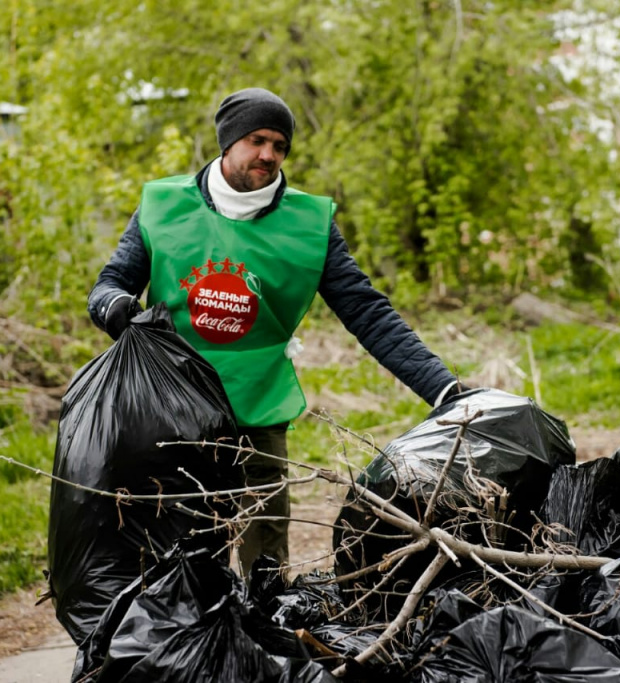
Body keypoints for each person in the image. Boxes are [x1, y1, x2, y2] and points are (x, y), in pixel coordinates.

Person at [87, 87, 463, 578]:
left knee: (263, 565)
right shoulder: (163, 206)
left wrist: (443, 388)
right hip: (168, 411)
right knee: (176, 561)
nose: (268, 154)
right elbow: (109, 286)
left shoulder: (309, 225)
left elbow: (368, 313)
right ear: (227, 141)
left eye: (280, 145)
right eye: (256, 140)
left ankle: (260, 645)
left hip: (257, 410)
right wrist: (121, 313)